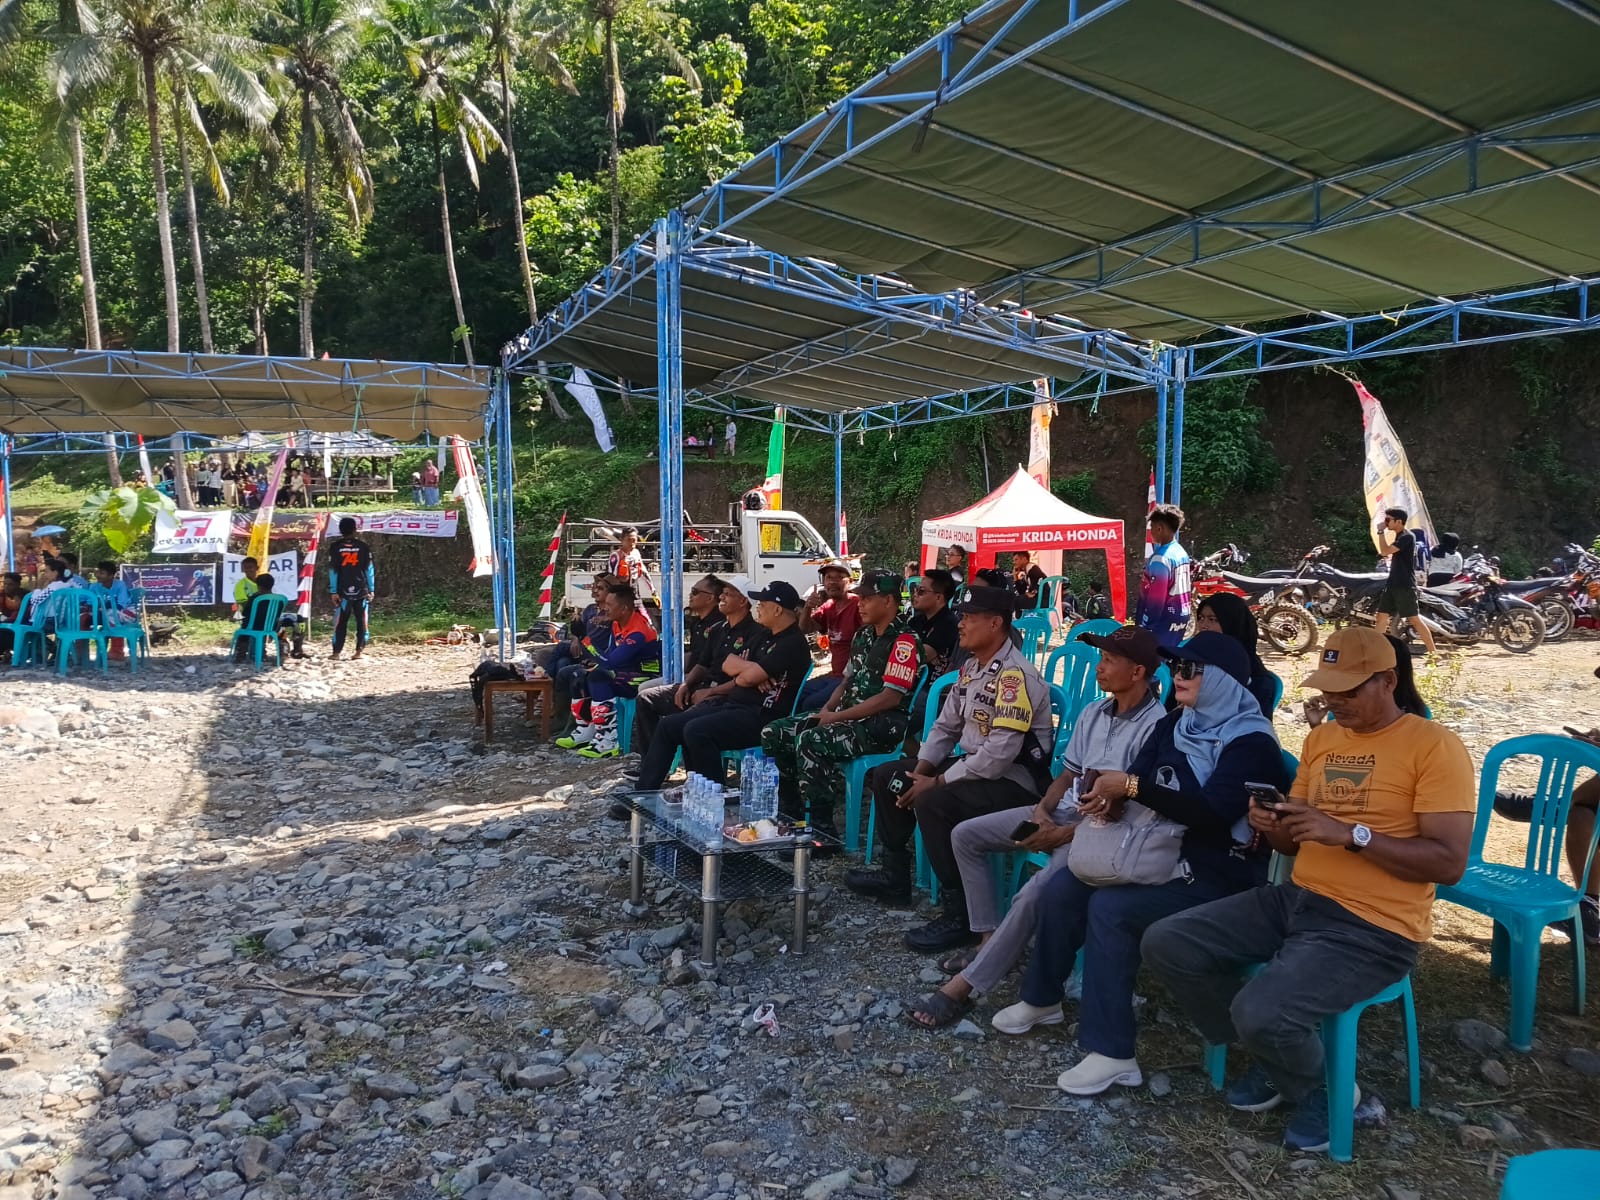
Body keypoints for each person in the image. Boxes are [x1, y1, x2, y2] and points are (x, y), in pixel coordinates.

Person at [1142, 626, 1474, 1152]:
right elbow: (1292, 843)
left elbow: (1449, 862)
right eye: (1328, 689)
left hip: (1375, 927)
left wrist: (1352, 835)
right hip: (1298, 899)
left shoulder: (1434, 746)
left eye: (1349, 690)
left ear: (1388, 681)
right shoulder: (1323, 740)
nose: (1334, 701)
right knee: (1168, 942)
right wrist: (1271, 824)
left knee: (1260, 1011)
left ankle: (1329, 1090)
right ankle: (1278, 1055)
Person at [991, 631, 1287, 1098]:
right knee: (1063, 887)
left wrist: (1131, 789)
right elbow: (1140, 778)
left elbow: (1212, 814)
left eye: (1191, 669)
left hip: (1216, 871)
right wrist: (1110, 801)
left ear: (1224, 681)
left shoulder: (1251, 742)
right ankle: (1042, 998)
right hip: (1157, 849)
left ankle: (1112, 1051)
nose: (1178, 675)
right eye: (1178, 667)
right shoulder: (1178, 723)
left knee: (1113, 909)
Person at [909, 627, 1166, 1028]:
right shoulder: (1095, 712)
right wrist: (1044, 812)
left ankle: (964, 987)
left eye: (1109, 661)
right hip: (1062, 811)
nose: (1099, 668)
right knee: (966, 835)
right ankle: (989, 940)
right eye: (1100, 659)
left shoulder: (1157, 728)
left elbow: (1132, 814)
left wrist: (1062, 834)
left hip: (1104, 832)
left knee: (1035, 892)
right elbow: (1067, 775)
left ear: (1137, 672)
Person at [845, 586, 1056, 951]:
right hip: (975, 768)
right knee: (890, 777)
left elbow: (998, 756)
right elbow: (945, 727)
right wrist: (923, 769)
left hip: (1014, 782)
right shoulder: (972, 667)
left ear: (995, 623)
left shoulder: (1014, 677)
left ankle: (962, 914)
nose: (960, 624)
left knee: (934, 801)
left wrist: (938, 781)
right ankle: (895, 875)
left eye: (969, 617)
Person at [762, 571, 923, 843]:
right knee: (774, 732)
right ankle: (791, 813)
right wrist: (826, 710)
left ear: (888, 601)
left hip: (880, 726)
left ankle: (823, 831)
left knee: (811, 739)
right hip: (847, 718)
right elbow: (846, 681)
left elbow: (890, 698)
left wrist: (836, 717)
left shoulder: (904, 641)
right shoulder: (863, 635)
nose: (860, 603)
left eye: (867, 598)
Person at [629, 576, 769, 791]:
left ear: (743, 601)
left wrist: (710, 692)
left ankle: (695, 785)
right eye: (722, 593)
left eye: (728, 594)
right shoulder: (718, 629)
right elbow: (702, 665)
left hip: (724, 696)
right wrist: (686, 685)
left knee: (686, 724)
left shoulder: (756, 634)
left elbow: (746, 678)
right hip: (703, 687)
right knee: (647, 698)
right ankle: (650, 768)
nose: (722, 597)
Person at [624, 574, 727, 760]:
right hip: (690, 677)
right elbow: (694, 656)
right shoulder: (699, 623)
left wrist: (686, 681)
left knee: (646, 691)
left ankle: (654, 756)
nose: (690, 595)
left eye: (695, 592)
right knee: (646, 693)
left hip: (706, 683)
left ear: (710, 598)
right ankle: (650, 758)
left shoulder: (718, 625)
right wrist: (674, 671)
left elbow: (708, 665)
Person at [555, 583, 661, 758]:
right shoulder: (617, 623)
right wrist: (589, 655)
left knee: (598, 678)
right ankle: (585, 729)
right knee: (578, 675)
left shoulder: (638, 631)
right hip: (623, 672)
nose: (605, 609)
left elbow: (610, 662)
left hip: (643, 677)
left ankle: (608, 739)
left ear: (624, 609)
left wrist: (585, 639)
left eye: (609, 605)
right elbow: (608, 655)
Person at [1194, 593, 1278, 716]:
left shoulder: (1259, 681)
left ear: (1233, 624)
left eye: (1212, 619)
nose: (1203, 625)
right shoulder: (1191, 661)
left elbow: (1256, 723)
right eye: (1201, 618)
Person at [797, 561, 861, 711]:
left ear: (850, 581)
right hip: (833, 675)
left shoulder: (858, 605)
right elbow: (804, 628)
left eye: (839, 577)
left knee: (811, 703)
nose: (832, 582)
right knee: (795, 694)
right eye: (828, 577)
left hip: (851, 677)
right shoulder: (829, 606)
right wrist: (807, 607)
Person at [1374, 507, 1437, 654]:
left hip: (1404, 585)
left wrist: (1380, 532)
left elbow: (1385, 551)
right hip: (1393, 583)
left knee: (1414, 619)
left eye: (1388, 520)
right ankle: (1376, 651)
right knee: (1381, 617)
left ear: (1399, 521)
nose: (1386, 522)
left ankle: (1433, 653)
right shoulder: (1400, 536)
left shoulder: (1407, 537)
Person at [550, 576, 615, 720]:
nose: (595, 590)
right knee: (562, 662)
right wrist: (575, 639)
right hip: (583, 648)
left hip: (596, 654)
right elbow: (579, 631)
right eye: (594, 586)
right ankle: (561, 712)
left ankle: (544, 682)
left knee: (561, 648)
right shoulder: (590, 609)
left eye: (600, 588)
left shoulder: (612, 614)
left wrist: (583, 640)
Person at [1137, 504, 1192, 648]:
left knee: (1152, 660)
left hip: (1161, 623)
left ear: (1159, 528)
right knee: (1170, 658)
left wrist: (1145, 626)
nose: (1150, 532)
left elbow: (1156, 601)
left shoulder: (1160, 558)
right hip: (1180, 619)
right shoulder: (1181, 552)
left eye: (1152, 527)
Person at [328, 516, 374, 661]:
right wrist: (371, 589)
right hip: (361, 590)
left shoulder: (335, 547)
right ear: (355, 529)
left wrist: (333, 591)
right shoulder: (363, 547)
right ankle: (359, 652)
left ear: (340, 530)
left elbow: (333, 571)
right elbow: (369, 570)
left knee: (341, 622)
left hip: (342, 591)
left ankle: (336, 653)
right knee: (362, 621)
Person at [235, 574, 307, 661]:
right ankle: (295, 650)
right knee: (298, 619)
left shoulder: (254, 598)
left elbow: (245, 613)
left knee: (245, 626)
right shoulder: (279, 598)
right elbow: (278, 614)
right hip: (273, 626)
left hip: (254, 626)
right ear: (272, 585)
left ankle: (240, 654)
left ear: (258, 586)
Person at [909, 569, 961, 678]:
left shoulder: (949, 624)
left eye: (921, 591)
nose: (915, 594)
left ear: (938, 597)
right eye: (916, 589)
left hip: (931, 684)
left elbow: (916, 656)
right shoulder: (915, 621)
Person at [0, 573, 28, 662]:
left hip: (19, 630)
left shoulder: (25, 597)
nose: (6, 586)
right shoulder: (2, 595)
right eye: (5, 583)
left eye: (10, 584)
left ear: (18, 584)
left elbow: (17, 619)